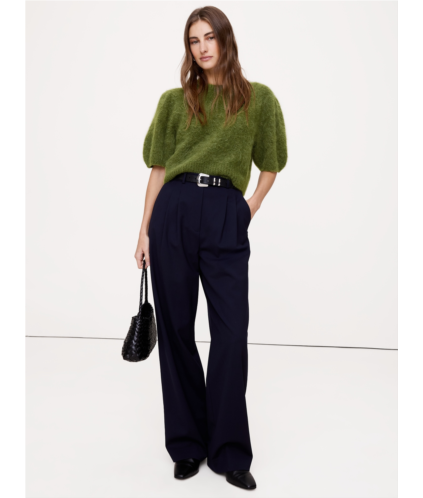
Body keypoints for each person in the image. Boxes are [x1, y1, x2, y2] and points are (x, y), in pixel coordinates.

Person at [135, 6, 287, 491]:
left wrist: (248, 207)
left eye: (209, 37)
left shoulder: (258, 99)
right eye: (193, 40)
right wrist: (144, 231)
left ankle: (230, 451)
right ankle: (186, 445)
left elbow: (271, 164)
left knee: (231, 334)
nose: (202, 48)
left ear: (226, 40)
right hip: (174, 211)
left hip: (225, 212)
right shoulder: (173, 101)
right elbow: (159, 168)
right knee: (176, 330)